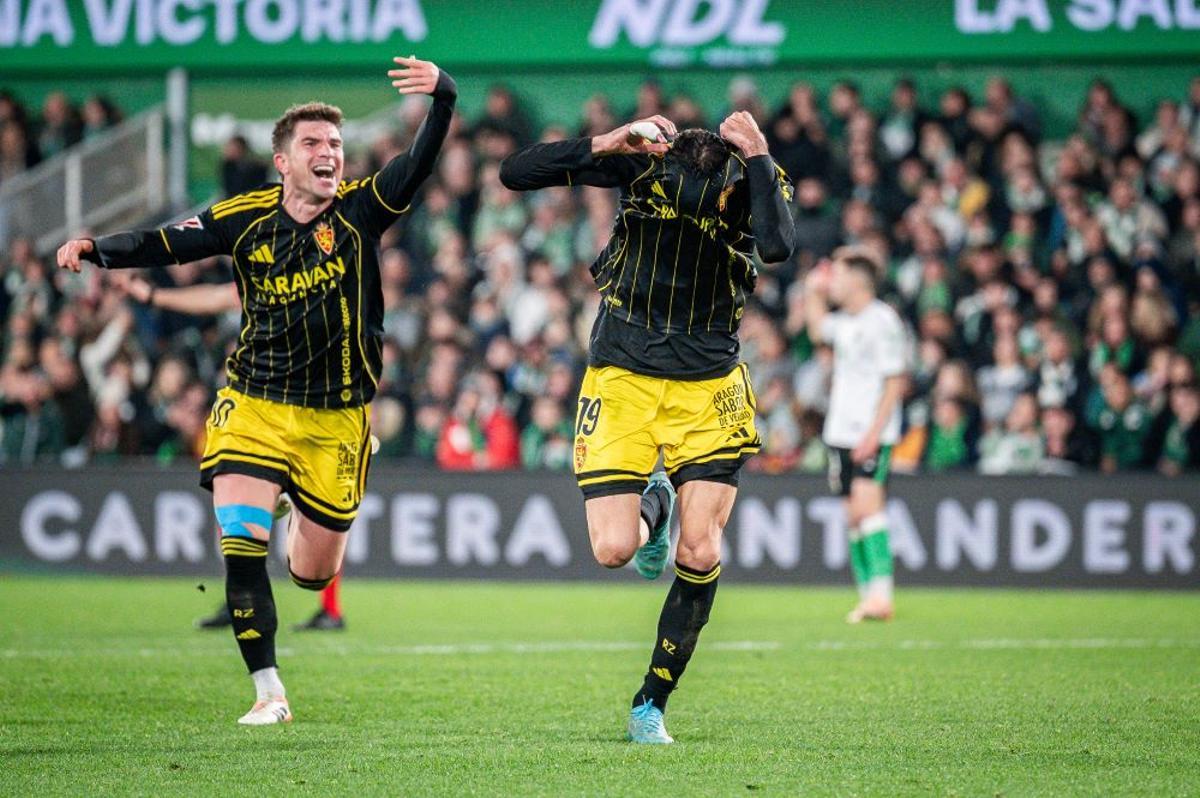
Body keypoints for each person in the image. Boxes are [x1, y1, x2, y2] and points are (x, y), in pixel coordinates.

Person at [57, 56, 456, 725]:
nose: (329, 153)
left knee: (313, 575)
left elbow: (419, 161)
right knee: (240, 548)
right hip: (256, 402)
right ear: (283, 161)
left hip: (337, 418)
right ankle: (269, 692)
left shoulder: (362, 210)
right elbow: (166, 242)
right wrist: (99, 248)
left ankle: (292, 504)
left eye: (334, 143)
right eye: (314, 144)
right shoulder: (244, 217)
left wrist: (443, 97)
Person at [500, 110, 795, 743]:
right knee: (613, 551)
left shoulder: (754, 181)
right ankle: (654, 503)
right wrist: (607, 141)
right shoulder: (642, 163)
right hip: (624, 378)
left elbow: (777, 247)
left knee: (702, 550)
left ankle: (651, 703)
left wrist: (763, 156)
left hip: (710, 387)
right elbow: (514, 172)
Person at [115, 275, 350, 632]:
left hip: (307, 414)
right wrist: (154, 294)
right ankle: (241, 600)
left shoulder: (316, 283)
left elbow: (217, 296)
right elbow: (216, 295)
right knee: (235, 515)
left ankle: (327, 609)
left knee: (315, 517)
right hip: (259, 417)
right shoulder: (269, 278)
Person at [804, 247, 908, 623]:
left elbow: (895, 382)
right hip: (839, 431)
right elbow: (817, 330)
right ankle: (867, 596)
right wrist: (812, 291)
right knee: (852, 516)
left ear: (857, 281)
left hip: (869, 431)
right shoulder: (846, 321)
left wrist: (875, 434)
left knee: (869, 508)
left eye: (838, 275)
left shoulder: (883, 321)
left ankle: (882, 596)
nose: (832, 282)